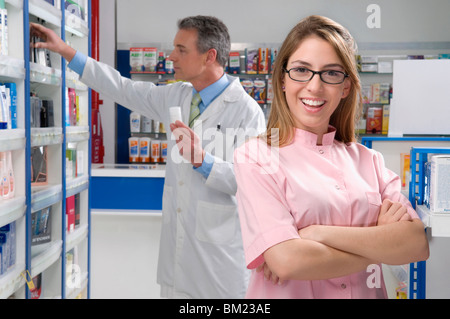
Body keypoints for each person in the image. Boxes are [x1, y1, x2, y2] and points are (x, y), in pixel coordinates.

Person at [31, 15, 265, 299]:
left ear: (209, 56)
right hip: (178, 260)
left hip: (220, 263)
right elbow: (123, 89)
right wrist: (68, 52)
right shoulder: (177, 95)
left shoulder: (247, 111)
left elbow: (254, 183)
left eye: (181, 49)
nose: (171, 56)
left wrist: (203, 161)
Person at [234, 15, 429, 299]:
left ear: (345, 87)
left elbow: (415, 245)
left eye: (331, 73)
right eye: (301, 70)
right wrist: (377, 245)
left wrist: (315, 234)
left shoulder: (369, 161)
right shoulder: (255, 157)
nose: (314, 86)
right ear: (283, 79)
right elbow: (288, 261)